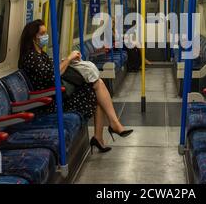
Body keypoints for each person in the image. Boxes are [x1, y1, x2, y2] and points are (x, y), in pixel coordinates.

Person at [18, 19, 133, 153]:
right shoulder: (31, 57)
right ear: (33, 37)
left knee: (97, 88)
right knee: (97, 87)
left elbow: (52, 70)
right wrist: (68, 59)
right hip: (50, 100)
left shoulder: (40, 54)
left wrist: (67, 61)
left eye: (46, 33)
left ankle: (101, 135)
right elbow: (53, 76)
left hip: (56, 92)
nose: (45, 36)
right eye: (42, 34)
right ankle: (112, 126)